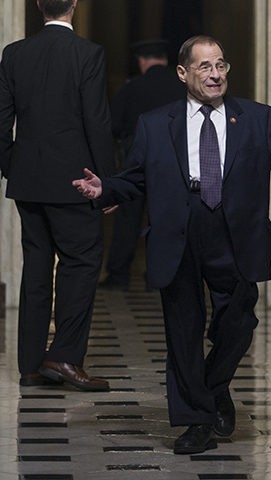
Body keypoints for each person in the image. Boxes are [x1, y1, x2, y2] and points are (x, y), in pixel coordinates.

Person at [71, 35, 271, 454]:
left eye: (221, 65)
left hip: (234, 231)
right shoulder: (155, 123)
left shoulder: (256, 117)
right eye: (206, 67)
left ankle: (212, 387)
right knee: (183, 330)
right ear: (183, 73)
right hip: (179, 228)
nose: (216, 74)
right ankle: (197, 421)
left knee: (239, 322)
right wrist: (106, 189)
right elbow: (135, 178)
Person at [0, 0, 113, 391]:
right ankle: (63, 356)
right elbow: (96, 119)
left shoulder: (14, 53)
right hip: (75, 179)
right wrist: (107, 182)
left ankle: (30, 366)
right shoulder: (88, 53)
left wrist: (11, 167)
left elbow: (2, 118)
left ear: (37, 5)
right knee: (80, 264)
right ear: (75, 5)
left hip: (28, 179)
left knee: (36, 266)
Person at [99, 39, 186, 291]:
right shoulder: (181, 88)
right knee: (167, 220)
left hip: (136, 162)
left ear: (141, 61)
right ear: (167, 61)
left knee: (127, 220)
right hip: (174, 165)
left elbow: (113, 125)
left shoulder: (132, 88)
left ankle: (118, 275)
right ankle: (161, 276)